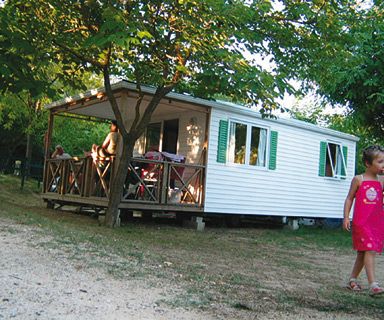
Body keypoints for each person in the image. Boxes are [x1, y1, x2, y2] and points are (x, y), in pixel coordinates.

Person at [343, 145, 384, 296]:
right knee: (370, 250)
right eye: (380, 162)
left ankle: (352, 280)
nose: (383, 165)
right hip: (362, 223)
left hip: (377, 224)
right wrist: (346, 217)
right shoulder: (358, 180)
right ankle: (373, 284)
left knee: (362, 253)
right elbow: (349, 199)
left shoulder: (381, 180)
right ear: (368, 163)